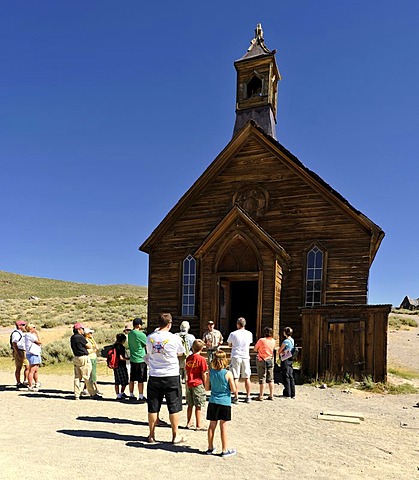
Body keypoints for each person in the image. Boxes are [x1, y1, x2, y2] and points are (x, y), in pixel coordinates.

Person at [145, 312, 186, 444]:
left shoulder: (150, 337)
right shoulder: (174, 338)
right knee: (173, 406)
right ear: (169, 324)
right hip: (171, 374)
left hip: (154, 374)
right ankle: (175, 435)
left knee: (153, 406)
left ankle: (151, 435)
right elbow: (181, 352)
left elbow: (148, 352)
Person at [204, 350, 237, 457]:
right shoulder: (228, 373)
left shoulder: (210, 372)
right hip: (225, 402)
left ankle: (210, 447)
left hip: (213, 401)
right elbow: (233, 389)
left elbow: (207, 388)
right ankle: (224, 449)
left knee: (211, 425)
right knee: (223, 426)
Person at [70, 323, 100, 400]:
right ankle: (92, 393)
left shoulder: (72, 337)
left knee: (77, 377)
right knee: (87, 376)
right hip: (83, 357)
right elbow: (89, 346)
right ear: (79, 329)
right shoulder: (80, 337)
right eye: (82, 329)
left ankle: (77, 394)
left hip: (76, 357)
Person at [227, 317, 253, 403]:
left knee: (235, 376)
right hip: (245, 355)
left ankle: (236, 396)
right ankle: (248, 396)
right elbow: (249, 343)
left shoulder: (233, 334)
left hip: (236, 355)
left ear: (238, 324)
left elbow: (229, 344)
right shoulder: (249, 334)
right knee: (247, 377)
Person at [185, 339, 208, 430]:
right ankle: (199, 424)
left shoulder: (188, 358)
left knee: (190, 404)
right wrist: (206, 384)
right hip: (198, 383)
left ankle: (189, 422)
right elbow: (203, 373)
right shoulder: (201, 359)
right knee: (198, 405)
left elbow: (187, 370)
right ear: (202, 348)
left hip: (189, 382)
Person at [127, 317, 147, 402]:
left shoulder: (130, 334)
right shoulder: (141, 334)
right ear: (139, 325)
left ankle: (131, 394)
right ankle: (141, 395)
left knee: (132, 378)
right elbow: (147, 344)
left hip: (133, 357)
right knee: (140, 379)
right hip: (140, 358)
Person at [254, 327, 276, 401]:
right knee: (271, 378)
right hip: (270, 359)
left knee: (262, 377)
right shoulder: (273, 341)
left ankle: (261, 395)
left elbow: (255, 349)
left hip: (262, 359)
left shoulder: (261, 340)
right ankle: (271, 395)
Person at [278, 326, 296, 399]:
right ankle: (292, 393)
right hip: (290, 358)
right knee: (290, 375)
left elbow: (280, 350)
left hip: (285, 358)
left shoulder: (285, 341)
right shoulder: (292, 340)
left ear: (285, 333)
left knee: (286, 375)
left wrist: (281, 352)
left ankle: (287, 393)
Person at [10, 320, 29, 389]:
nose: (25, 326)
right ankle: (18, 382)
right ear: (19, 326)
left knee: (27, 367)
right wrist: (18, 353)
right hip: (20, 351)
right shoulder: (16, 334)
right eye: (23, 325)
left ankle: (25, 381)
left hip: (23, 350)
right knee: (19, 367)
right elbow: (14, 344)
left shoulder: (21, 333)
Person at [82, 328, 100, 396]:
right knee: (92, 374)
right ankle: (95, 388)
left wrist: (93, 339)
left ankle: (86, 389)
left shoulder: (90, 340)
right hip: (90, 358)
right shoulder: (85, 341)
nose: (91, 334)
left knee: (92, 374)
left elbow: (97, 347)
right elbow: (89, 351)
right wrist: (94, 350)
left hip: (93, 357)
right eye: (90, 333)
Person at [24, 323, 42, 392]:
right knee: (32, 370)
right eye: (34, 327)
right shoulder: (29, 335)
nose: (35, 329)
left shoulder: (31, 335)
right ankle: (30, 385)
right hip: (32, 353)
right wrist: (37, 334)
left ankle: (36, 382)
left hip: (36, 352)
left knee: (36, 369)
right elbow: (39, 342)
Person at [113, 333, 129, 400]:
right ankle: (122, 393)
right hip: (121, 365)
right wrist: (129, 359)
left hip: (115, 365)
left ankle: (118, 394)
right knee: (124, 381)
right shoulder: (121, 347)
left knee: (117, 381)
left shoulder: (114, 346)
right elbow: (121, 358)